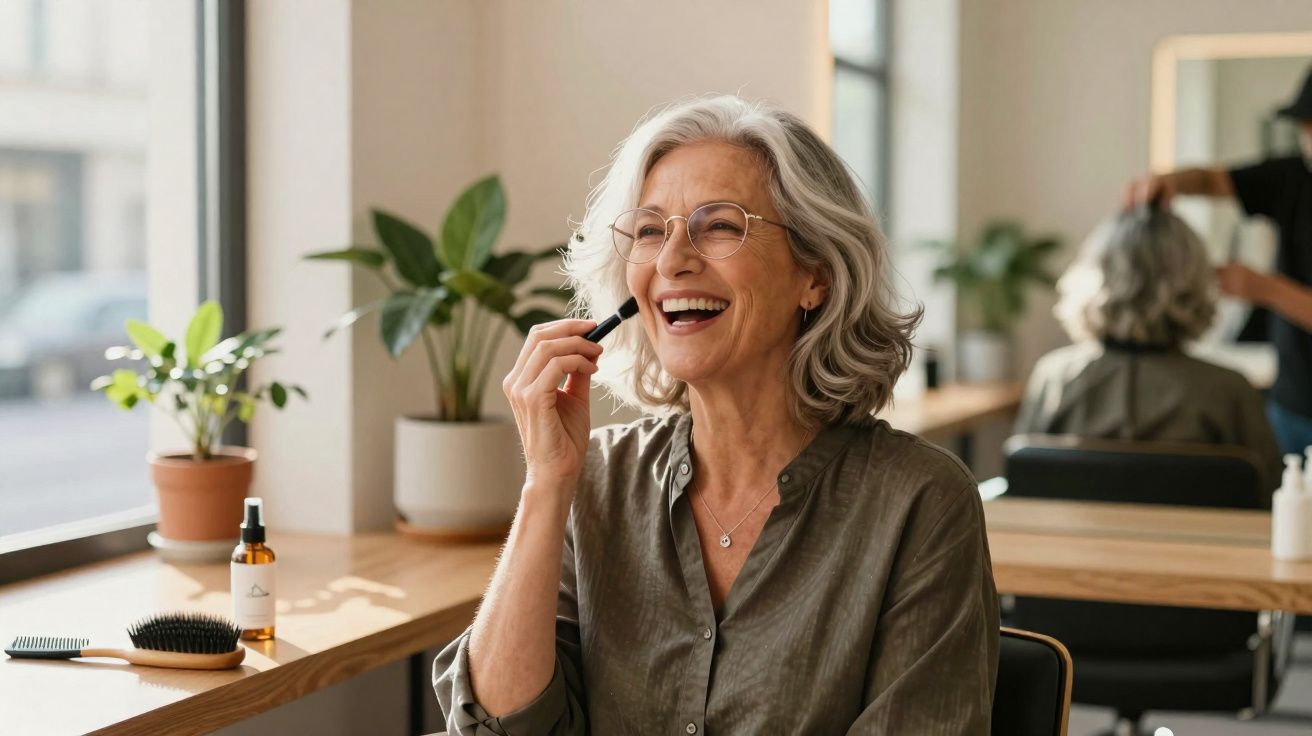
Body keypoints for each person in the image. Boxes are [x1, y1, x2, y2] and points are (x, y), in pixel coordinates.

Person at [432, 96, 999, 735]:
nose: (672, 259)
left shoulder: (920, 503)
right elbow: (501, 728)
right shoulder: (595, 479)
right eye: (649, 230)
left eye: (720, 225)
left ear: (815, 274)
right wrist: (544, 484)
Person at [1015, 206, 1282, 501]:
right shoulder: (1229, 390)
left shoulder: (1055, 378)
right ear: (1195, 282)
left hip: (1068, 544)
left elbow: (1023, 489)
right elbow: (1273, 499)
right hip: (1196, 545)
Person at [1124, 63, 1312, 456]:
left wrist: (1268, 290)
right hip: (1293, 400)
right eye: (1305, 125)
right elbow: (1211, 181)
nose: (1308, 136)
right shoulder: (1293, 176)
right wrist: (1170, 181)